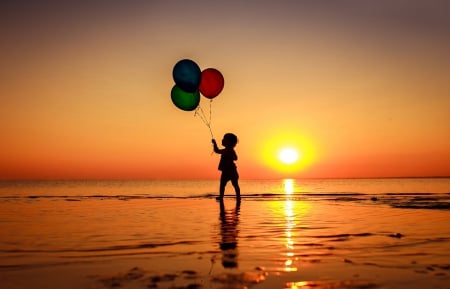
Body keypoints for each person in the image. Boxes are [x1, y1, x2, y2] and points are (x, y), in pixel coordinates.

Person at [212, 133, 241, 200]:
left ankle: (238, 197)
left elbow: (236, 158)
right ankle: (221, 197)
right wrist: (214, 143)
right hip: (225, 171)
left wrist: (230, 156)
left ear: (229, 142)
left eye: (224, 139)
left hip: (232, 171)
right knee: (222, 184)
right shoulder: (225, 150)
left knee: (235, 184)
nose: (222, 140)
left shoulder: (230, 150)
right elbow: (217, 151)